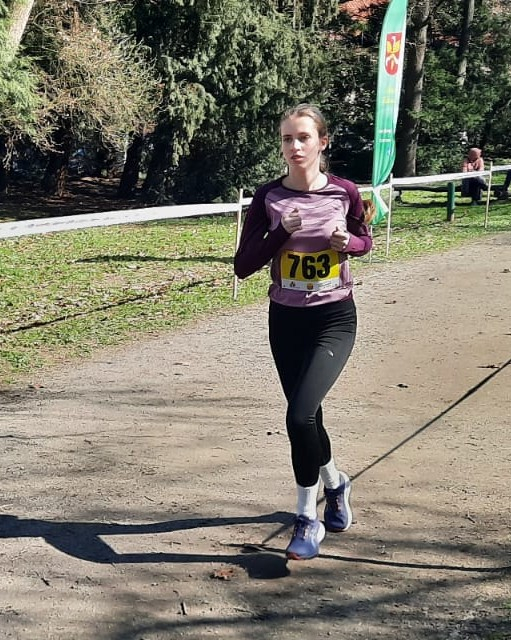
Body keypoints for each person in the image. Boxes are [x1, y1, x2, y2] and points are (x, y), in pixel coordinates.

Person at [233, 103, 373, 561]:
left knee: (297, 417)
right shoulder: (268, 197)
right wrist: (279, 234)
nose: (294, 146)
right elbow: (243, 265)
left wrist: (349, 243)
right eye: (287, 139)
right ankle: (336, 485)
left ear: (322, 142)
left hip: (333, 318)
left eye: (303, 137)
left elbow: (365, 242)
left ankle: (306, 519)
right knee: (308, 417)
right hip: (286, 319)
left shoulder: (344, 192)